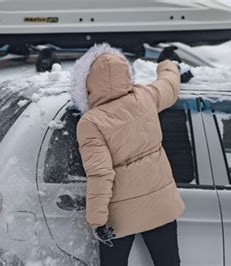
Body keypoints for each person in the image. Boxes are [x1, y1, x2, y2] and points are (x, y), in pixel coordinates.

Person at [70, 43, 192, 266]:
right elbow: (170, 86)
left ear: (86, 85)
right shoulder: (144, 96)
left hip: (120, 217)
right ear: (126, 74)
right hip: (160, 208)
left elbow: (100, 174)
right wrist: (167, 63)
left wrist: (97, 220)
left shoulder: (91, 122)